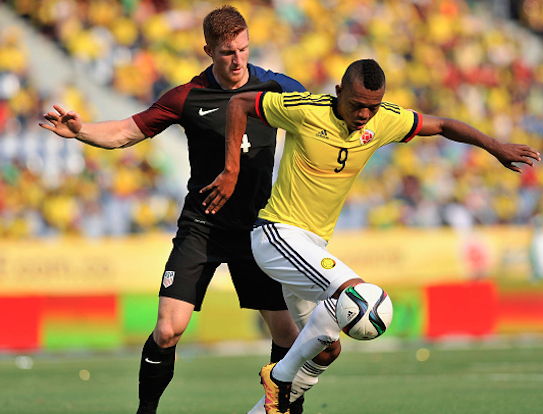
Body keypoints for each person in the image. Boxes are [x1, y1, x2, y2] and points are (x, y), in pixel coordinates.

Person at [39, 6, 340, 414]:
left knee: (287, 336)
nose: (238, 60)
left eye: (244, 49)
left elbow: (324, 121)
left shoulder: (278, 87)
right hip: (203, 226)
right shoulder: (187, 97)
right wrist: (81, 131)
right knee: (167, 330)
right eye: (227, 52)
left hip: (260, 230)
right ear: (208, 50)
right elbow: (127, 132)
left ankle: (285, 411)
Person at [201, 58, 542, 414]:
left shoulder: (383, 120)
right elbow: (240, 103)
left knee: (328, 349)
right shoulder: (306, 110)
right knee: (358, 298)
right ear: (338, 92)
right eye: (356, 105)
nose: (364, 114)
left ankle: (268, 406)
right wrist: (231, 169)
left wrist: (494, 146)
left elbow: (441, 125)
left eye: (372, 106)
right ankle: (281, 378)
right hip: (276, 235)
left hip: (311, 248)